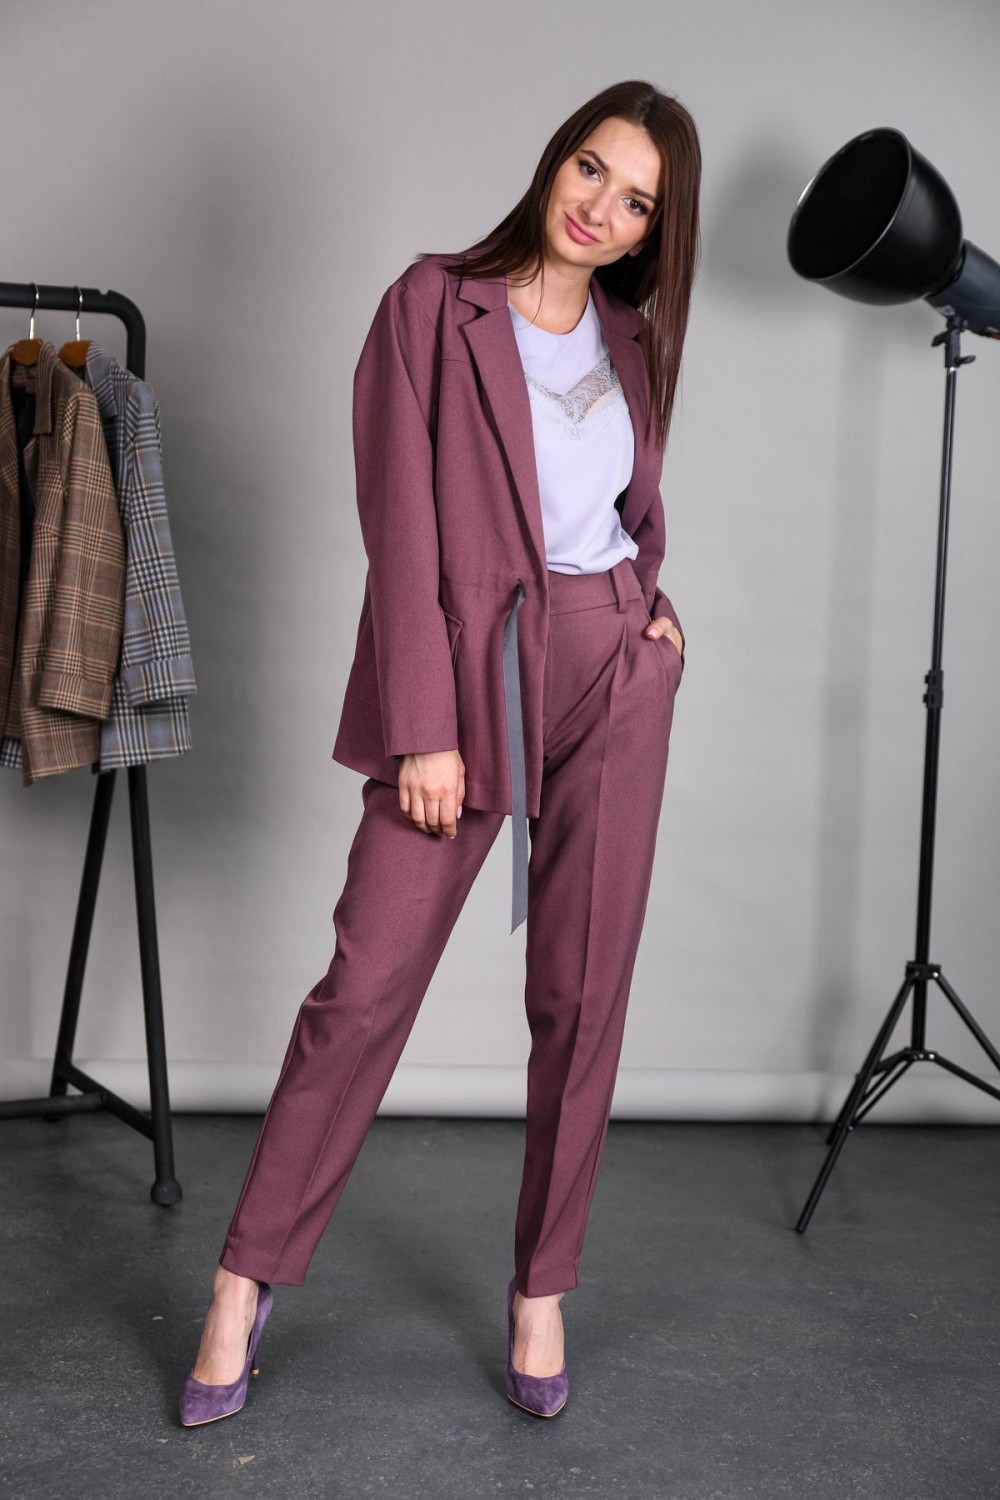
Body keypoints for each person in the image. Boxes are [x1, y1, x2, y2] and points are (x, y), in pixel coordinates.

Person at [179, 77, 701, 1427]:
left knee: (583, 997)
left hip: (613, 674)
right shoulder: (432, 305)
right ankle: (243, 1280)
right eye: (592, 169)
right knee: (363, 991)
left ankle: (542, 1288)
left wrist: (650, 609)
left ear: (654, 230)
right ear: (556, 160)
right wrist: (425, 726)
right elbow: (399, 528)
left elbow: (623, 510)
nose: (601, 208)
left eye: (637, 201)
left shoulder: (632, 338)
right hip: (469, 678)